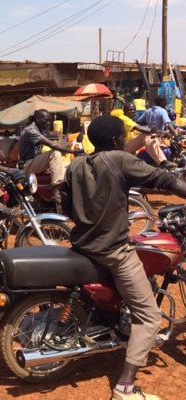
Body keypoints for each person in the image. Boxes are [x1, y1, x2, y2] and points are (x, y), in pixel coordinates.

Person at [64, 116, 186, 400]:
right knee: (150, 317)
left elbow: (68, 206)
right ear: (117, 140)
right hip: (113, 250)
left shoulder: (77, 164)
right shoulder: (120, 160)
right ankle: (125, 387)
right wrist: (162, 160)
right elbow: (166, 181)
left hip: (83, 244)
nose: (124, 140)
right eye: (123, 136)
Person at [19, 109, 78, 211]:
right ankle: (56, 190)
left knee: (64, 165)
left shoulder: (39, 129)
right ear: (37, 119)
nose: (48, 123)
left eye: (49, 121)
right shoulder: (31, 130)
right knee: (55, 153)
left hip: (34, 161)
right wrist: (73, 152)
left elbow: (53, 138)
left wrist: (65, 144)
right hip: (27, 165)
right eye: (46, 120)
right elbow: (53, 145)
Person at [113, 103, 176, 169]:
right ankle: (163, 162)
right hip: (122, 149)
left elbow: (141, 129)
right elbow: (140, 128)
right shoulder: (123, 118)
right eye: (130, 110)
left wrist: (158, 136)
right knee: (146, 134)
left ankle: (157, 164)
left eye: (134, 110)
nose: (133, 111)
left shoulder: (132, 121)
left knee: (149, 137)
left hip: (129, 148)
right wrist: (160, 131)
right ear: (124, 110)